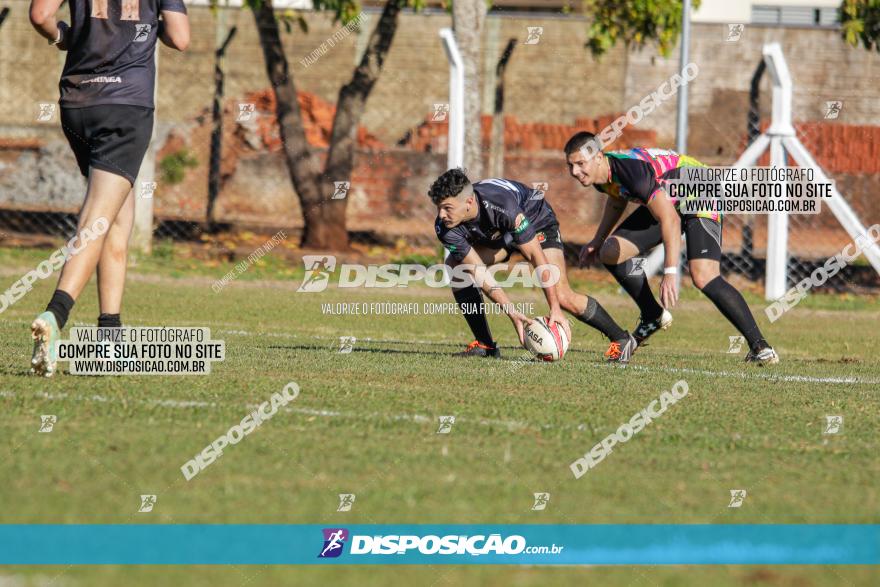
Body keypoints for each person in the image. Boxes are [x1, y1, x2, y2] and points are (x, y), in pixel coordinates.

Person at [28, 0, 190, 376]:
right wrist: (152, 29)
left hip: (78, 104)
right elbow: (180, 39)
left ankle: (109, 340)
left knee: (118, 217)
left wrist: (62, 36)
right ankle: (55, 315)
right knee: (99, 219)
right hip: (125, 108)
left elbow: (39, 16)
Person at [564, 132, 779, 365]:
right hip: (670, 198)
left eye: (580, 164)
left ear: (597, 157)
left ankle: (760, 346)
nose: (575, 172)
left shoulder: (632, 174)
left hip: (700, 188)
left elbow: (671, 221)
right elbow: (617, 199)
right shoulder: (602, 175)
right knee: (610, 253)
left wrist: (670, 273)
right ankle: (652, 315)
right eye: (571, 165)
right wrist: (598, 240)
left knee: (704, 276)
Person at [429, 169, 638, 364]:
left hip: (536, 220)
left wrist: (554, 309)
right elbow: (477, 271)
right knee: (457, 267)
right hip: (500, 233)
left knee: (562, 295)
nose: (441, 215)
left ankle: (621, 339)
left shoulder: (502, 205)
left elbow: (535, 256)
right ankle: (485, 344)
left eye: (447, 208)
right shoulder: (445, 227)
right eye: (439, 208)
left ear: (469, 201)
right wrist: (512, 313)